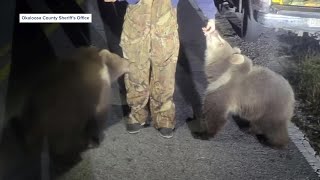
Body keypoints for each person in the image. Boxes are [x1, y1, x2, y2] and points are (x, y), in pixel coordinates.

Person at [104, 0, 217, 138]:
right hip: (136, 18)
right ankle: (137, 114)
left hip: (165, 20)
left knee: (165, 73)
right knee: (134, 71)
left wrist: (210, 15)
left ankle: (164, 118)